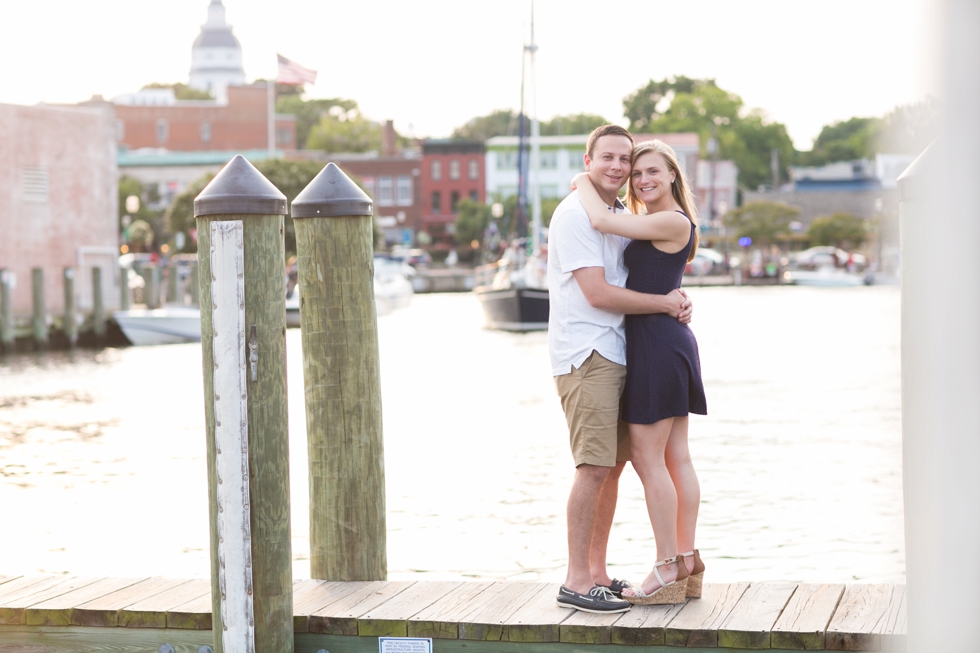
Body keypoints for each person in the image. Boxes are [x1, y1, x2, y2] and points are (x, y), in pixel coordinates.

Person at [549, 126, 693, 614]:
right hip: (588, 353)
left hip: (627, 350)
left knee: (615, 468)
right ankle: (576, 579)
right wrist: (667, 304)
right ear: (590, 159)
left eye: (626, 161)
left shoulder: (619, 214)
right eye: (608, 158)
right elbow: (599, 294)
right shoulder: (578, 215)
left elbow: (641, 263)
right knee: (594, 467)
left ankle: (599, 574)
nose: (620, 169)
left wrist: (669, 303)